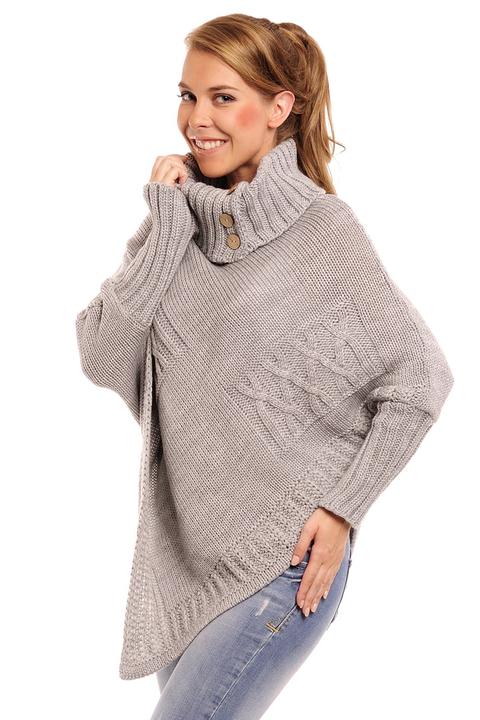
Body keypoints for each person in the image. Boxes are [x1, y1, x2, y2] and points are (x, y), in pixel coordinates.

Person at [75, 13, 454, 720]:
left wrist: (343, 508)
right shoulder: (174, 222)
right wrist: (167, 223)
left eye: (223, 97)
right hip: (189, 568)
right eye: (188, 96)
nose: (197, 119)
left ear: (280, 107)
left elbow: (420, 380)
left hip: (284, 563)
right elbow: (101, 354)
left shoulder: (324, 232)